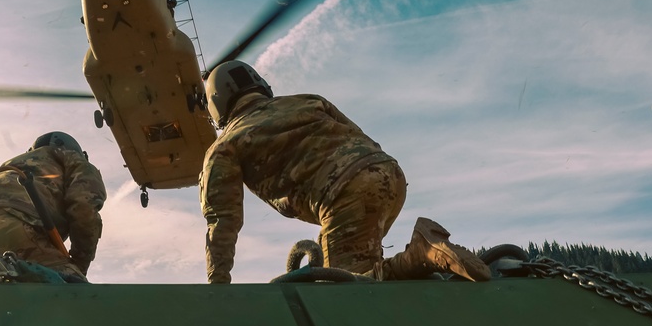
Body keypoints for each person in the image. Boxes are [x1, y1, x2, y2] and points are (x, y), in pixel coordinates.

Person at [199, 60, 490, 284]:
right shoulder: (308, 100)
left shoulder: (225, 146)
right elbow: (359, 137)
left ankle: (422, 253)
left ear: (217, 104)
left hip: (344, 195)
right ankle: (420, 259)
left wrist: (218, 284)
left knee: (346, 289)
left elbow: (222, 222)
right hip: (388, 173)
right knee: (361, 271)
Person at [0, 131, 107, 281]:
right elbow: (84, 208)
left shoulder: (12, 165)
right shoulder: (73, 160)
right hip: (14, 230)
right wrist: (80, 264)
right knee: (79, 294)